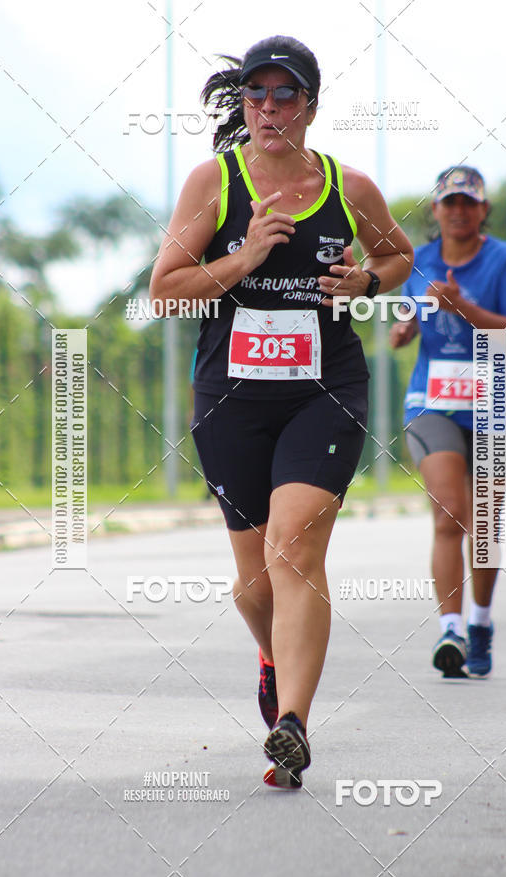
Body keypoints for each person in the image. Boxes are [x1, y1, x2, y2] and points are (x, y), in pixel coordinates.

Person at [150, 35, 413, 787]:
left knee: (293, 547)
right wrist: (245, 258)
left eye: (285, 95)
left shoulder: (349, 187)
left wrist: (365, 282)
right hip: (230, 399)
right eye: (256, 95)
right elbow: (165, 288)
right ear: (245, 105)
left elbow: (399, 259)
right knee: (254, 577)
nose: (269, 108)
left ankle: (292, 723)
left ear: (311, 106)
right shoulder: (215, 182)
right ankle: (272, 658)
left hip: (324, 391)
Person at [390, 166, 506, 678]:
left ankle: (480, 622)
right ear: (436, 210)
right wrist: (405, 329)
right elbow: (409, 318)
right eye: (449, 202)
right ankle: (449, 628)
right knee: (449, 511)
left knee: (486, 526)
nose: (458, 211)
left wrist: (466, 308)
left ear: (483, 210)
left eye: (468, 203)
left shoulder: (504, 260)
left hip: (495, 406)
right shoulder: (419, 261)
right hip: (434, 402)